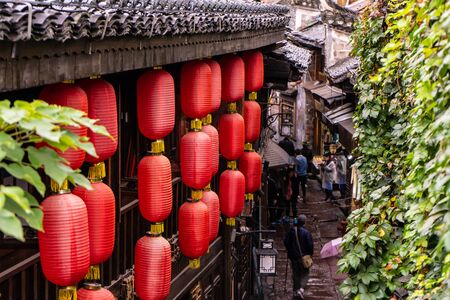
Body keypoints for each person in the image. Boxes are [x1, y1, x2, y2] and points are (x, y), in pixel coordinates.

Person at [284, 215, 314, 299]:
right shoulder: (306, 232)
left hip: (293, 257)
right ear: (304, 222)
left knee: (296, 273)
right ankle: (300, 290)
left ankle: (295, 290)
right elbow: (310, 245)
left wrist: (289, 250)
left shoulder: (291, 231)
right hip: (303, 256)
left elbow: (286, 242)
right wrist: (310, 254)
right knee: (305, 273)